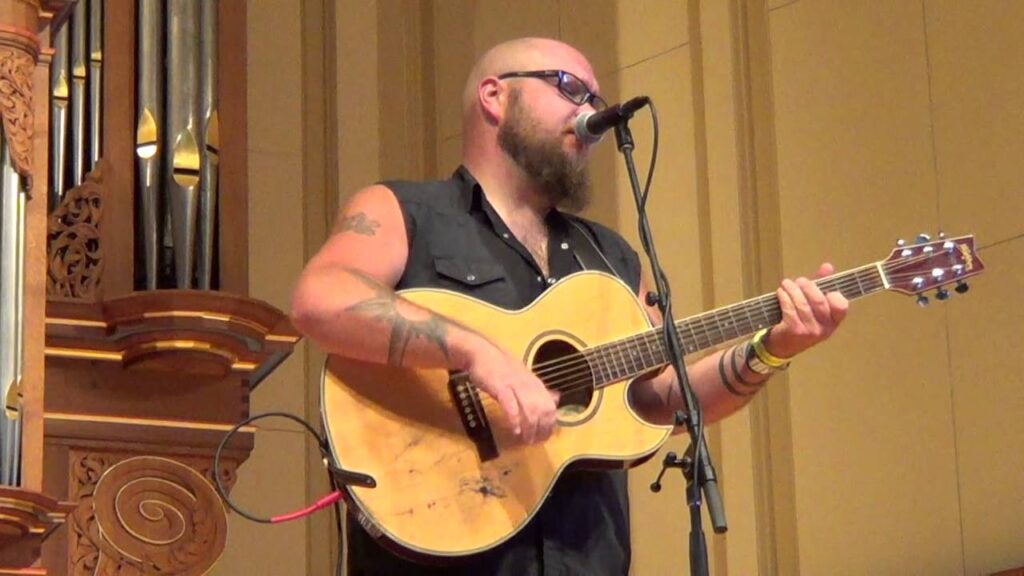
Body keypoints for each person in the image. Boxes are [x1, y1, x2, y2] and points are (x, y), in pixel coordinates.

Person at [290, 37, 848, 576]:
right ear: (494, 95)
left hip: (586, 560)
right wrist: (478, 354)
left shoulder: (611, 256)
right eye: (569, 87)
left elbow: (659, 398)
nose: (590, 112)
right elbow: (321, 297)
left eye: (596, 98)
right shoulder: (405, 211)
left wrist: (772, 349)